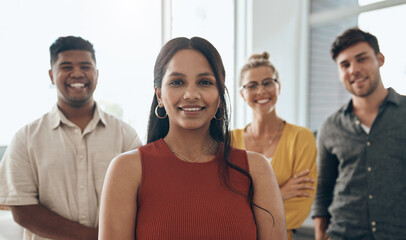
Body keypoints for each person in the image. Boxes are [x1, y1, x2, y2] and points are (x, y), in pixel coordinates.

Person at [98, 37, 288, 239]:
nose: (191, 94)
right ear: (159, 95)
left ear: (221, 97)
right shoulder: (127, 169)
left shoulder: (256, 169)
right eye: (177, 82)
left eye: (205, 82)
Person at [0, 36, 142, 240]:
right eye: (66, 67)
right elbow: (23, 210)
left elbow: (139, 201)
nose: (77, 73)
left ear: (97, 74)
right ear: (51, 75)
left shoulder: (125, 136)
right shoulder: (26, 138)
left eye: (85, 66)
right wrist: (96, 237)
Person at [312, 27, 406, 240]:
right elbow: (324, 189)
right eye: (345, 64)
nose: (353, 69)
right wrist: (320, 235)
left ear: (379, 59)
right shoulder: (331, 126)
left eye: (361, 59)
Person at [231, 52, 318, 239]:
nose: (261, 91)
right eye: (252, 85)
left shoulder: (302, 138)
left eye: (267, 82)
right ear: (242, 93)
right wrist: (280, 193)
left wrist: (244, 203)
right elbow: (221, 205)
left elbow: (299, 208)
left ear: (278, 86)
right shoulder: (228, 141)